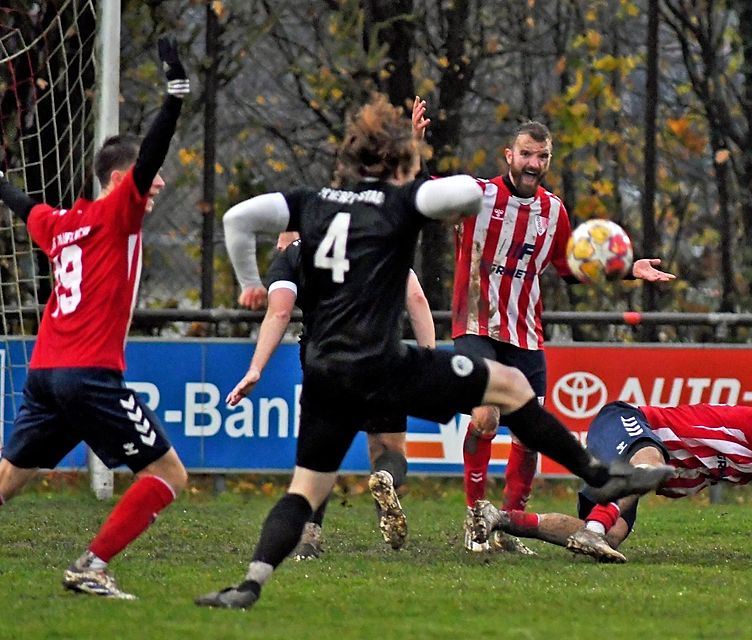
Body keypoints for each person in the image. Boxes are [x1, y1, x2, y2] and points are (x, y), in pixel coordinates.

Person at [195, 94, 675, 610]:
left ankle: (251, 583)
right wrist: (419, 156)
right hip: (385, 364)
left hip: (324, 370)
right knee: (511, 389)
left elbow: (238, 218)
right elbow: (463, 192)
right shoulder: (400, 204)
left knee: (304, 491)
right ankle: (601, 476)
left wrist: (250, 283)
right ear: (399, 163)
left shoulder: (310, 203)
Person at [411, 100, 675, 552]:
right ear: (508, 156)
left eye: (542, 157)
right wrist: (414, 145)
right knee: (485, 417)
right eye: (526, 154)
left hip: (526, 335)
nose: (534, 163)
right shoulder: (476, 195)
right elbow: (420, 194)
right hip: (476, 327)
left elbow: (569, 266)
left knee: (529, 432)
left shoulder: (554, 211)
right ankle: (477, 521)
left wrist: (630, 268)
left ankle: (508, 526)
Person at [0, 38, 190, 599]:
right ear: (119, 179)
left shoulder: (61, 223)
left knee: (9, 478)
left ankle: (92, 565)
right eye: (144, 176)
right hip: (88, 373)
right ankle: (92, 565)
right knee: (169, 475)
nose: (155, 183)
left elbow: (21, 202)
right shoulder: (116, 213)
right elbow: (151, 154)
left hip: (45, 372)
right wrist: (173, 101)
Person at [469, 383, 752, 569]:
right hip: (624, 420)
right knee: (652, 463)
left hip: (628, 466)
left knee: (613, 535)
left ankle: (499, 519)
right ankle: (595, 529)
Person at [226, 232, 437, 555]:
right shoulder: (372, 237)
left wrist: (256, 368)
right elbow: (417, 299)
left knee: (320, 451)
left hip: (325, 358)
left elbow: (279, 313)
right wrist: (428, 359)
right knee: (389, 447)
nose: (278, 246)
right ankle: (386, 478)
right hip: (382, 354)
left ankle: (309, 536)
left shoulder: (291, 255)